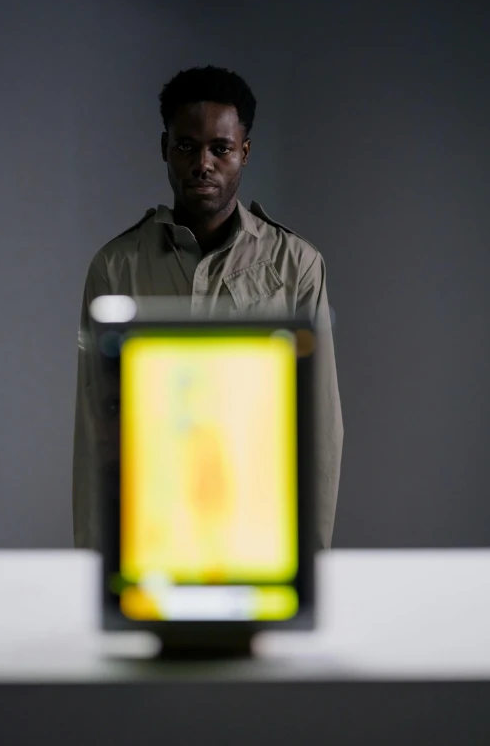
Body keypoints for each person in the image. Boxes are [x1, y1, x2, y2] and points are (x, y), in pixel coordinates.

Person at [73, 65, 343, 551]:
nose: (203, 163)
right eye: (186, 146)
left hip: (258, 524)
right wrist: (95, 558)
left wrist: (312, 554)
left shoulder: (297, 265)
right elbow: (96, 424)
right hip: (150, 524)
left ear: (244, 151)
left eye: (220, 148)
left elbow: (318, 423)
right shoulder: (115, 268)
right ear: (164, 149)